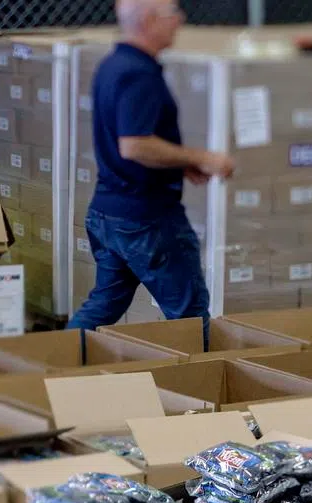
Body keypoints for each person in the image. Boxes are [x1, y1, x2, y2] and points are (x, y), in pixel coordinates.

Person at [67, 0, 235, 338]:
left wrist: (182, 163)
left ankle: (54, 361)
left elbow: (128, 142)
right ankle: (199, 373)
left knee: (103, 306)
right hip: (147, 220)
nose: (180, 20)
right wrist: (203, 157)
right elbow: (135, 145)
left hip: (109, 213)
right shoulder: (138, 74)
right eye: (172, 14)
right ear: (148, 20)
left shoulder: (113, 65)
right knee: (189, 317)